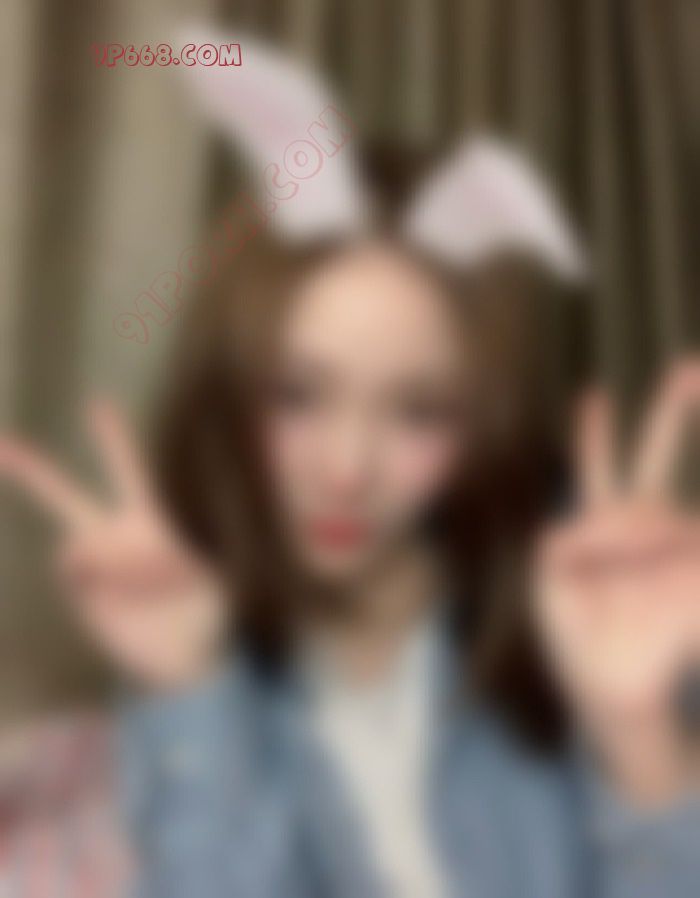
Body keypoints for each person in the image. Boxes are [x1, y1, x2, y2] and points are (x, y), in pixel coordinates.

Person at [0, 30, 698, 898]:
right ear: (228, 393)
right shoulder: (188, 624)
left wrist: (638, 734)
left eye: (419, 412)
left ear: (486, 420)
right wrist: (191, 688)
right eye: (296, 395)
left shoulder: (596, 608)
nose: (345, 470)